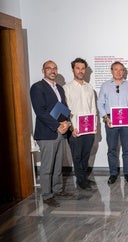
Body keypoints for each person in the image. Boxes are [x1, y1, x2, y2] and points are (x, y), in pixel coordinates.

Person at [30, 60, 72, 207]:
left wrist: (67, 123)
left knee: (58, 164)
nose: (52, 71)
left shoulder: (59, 88)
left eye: (54, 68)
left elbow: (64, 108)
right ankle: (47, 195)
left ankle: (58, 189)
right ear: (43, 71)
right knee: (47, 166)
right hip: (47, 133)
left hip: (61, 131)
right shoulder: (37, 87)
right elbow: (40, 112)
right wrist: (57, 126)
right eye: (49, 68)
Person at [97, 61, 128, 184]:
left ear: (124, 71)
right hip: (110, 121)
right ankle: (113, 173)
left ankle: (127, 173)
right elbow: (100, 103)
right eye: (116, 69)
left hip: (126, 121)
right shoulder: (105, 85)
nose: (118, 72)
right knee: (112, 148)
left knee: (127, 149)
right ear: (111, 71)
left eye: (121, 69)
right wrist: (105, 118)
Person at [64, 58, 97, 191]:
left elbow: (93, 108)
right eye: (78, 68)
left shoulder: (89, 87)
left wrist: (95, 126)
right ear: (73, 70)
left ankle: (83, 178)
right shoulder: (67, 88)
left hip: (89, 128)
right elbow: (66, 109)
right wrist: (71, 128)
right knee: (77, 156)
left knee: (86, 155)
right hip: (75, 129)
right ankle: (80, 180)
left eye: (83, 68)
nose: (80, 71)